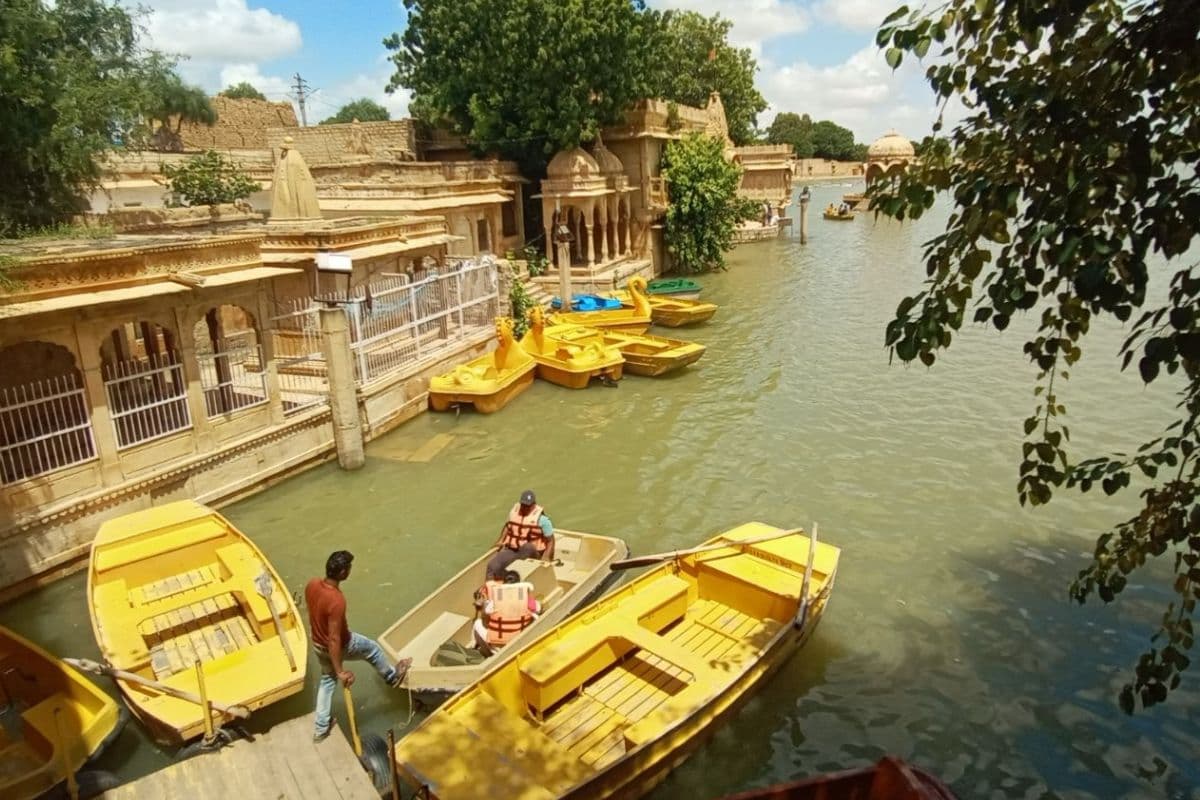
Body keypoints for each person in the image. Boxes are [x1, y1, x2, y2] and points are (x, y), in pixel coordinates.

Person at [306, 550, 411, 743]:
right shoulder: (337, 600)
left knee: (327, 682)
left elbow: (315, 616)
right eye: (349, 568)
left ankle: (321, 729)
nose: (351, 571)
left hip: (317, 645)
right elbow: (335, 640)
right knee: (372, 649)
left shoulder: (312, 585)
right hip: (340, 644)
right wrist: (341, 671)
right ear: (342, 573)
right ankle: (391, 676)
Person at [486, 489, 555, 579]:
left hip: (533, 554)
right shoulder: (514, 513)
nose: (525, 508)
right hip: (513, 550)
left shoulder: (543, 520)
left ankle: (513, 574)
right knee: (492, 565)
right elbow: (508, 526)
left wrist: (546, 557)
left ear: (533, 505)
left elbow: (551, 540)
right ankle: (490, 587)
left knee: (527, 548)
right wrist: (500, 541)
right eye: (523, 505)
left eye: (528, 506)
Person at [471, 570, 542, 657]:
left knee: (477, 623)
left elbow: (485, 616)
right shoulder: (526, 599)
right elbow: (539, 608)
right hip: (522, 641)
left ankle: (475, 647)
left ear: (503, 584)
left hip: (502, 648)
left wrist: (483, 604)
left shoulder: (494, 601)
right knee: (535, 616)